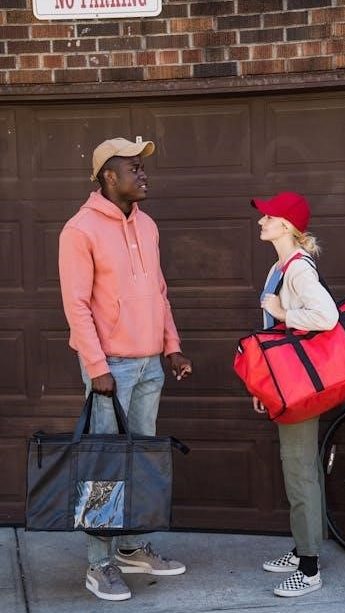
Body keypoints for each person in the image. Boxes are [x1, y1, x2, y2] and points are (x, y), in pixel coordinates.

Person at [58, 137, 192, 602]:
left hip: (150, 364)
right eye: (134, 168)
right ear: (109, 177)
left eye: (142, 166)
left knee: (140, 460)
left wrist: (171, 346)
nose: (143, 174)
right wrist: (96, 366)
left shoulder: (148, 225)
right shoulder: (79, 230)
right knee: (105, 464)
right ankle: (99, 564)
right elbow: (76, 305)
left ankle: (132, 546)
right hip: (110, 368)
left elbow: (159, 292)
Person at [250, 192, 338, 598]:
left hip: (300, 385)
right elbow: (274, 337)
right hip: (286, 381)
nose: (261, 222)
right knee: (302, 468)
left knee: (298, 470)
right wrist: (264, 384)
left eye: (268, 217)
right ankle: (305, 547)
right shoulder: (279, 267)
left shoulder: (298, 269)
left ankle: (309, 569)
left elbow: (327, 316)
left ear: (286, 225)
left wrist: (283, 312)